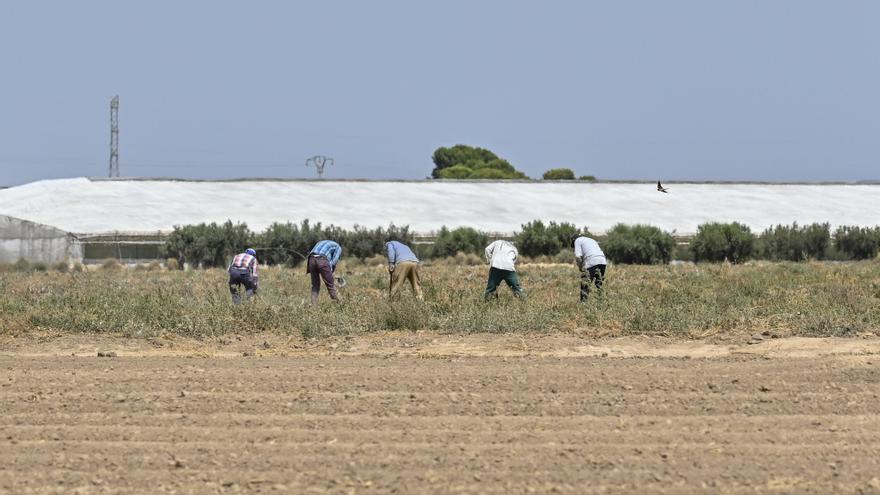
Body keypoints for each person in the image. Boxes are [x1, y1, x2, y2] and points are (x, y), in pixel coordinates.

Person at [307, 239, 342, 304]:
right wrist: (330, 272)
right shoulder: (338, 247)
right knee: (330, 285)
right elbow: (334, 261)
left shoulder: (321, 242)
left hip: (311, 260)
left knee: (315, 285)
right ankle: (339, 304)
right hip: (322, 260)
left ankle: (313, 306)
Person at [573, 234, 606, 302]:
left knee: (585, 284)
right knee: (599, 284)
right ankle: (601, 302)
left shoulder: (577, 240)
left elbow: (578, 256)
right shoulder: (591, 240)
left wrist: (580, 267)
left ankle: (583, 304)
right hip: (602, 260)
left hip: (591, 261)